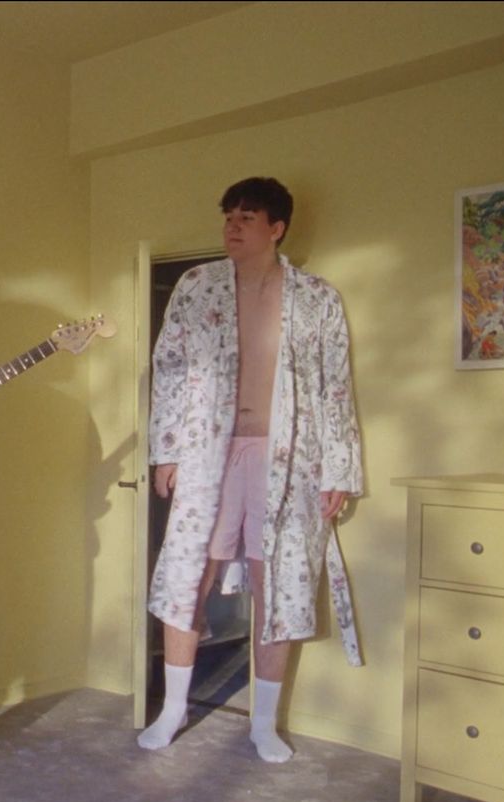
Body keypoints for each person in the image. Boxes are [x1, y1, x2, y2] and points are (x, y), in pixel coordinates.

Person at [138, 177, 364, 761]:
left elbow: (335, 386)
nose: (232, 227)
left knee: (279, 581)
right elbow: (168, 368)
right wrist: (166, 450)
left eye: (246, 217)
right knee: (190, 574)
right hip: (206, 449)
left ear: (276, 227)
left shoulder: (316, 298)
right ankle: (172, 710)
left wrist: (338, 467)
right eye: (228, 217)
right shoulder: (195, 286)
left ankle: (264, 723)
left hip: (289, 457)